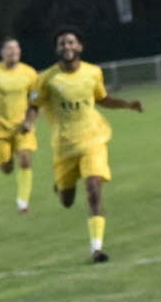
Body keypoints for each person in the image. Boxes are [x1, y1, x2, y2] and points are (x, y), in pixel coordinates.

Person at [23, 27, 143, 262]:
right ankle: (61, 185)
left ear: (79, 46)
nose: (67, 46)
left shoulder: (93, 72)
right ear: (56, 49)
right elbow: (34, 105)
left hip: (93, 139)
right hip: (64, 144)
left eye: (71, 42)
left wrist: (128, 104)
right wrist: (28, 123)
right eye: (62, 43)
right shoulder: (46, 78)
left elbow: (102, 98)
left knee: (93, 188)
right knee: (66, 200)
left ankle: (96, 248)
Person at [0, 37, 40, 213]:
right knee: (6, 168)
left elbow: (36, 100)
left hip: (22, 127)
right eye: (9, 48)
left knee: (25, 159)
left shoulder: (30, 73)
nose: (14, 51)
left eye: (16, 48)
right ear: (2, 52)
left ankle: (23, 202)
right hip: (0, 128)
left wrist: (29, 121)